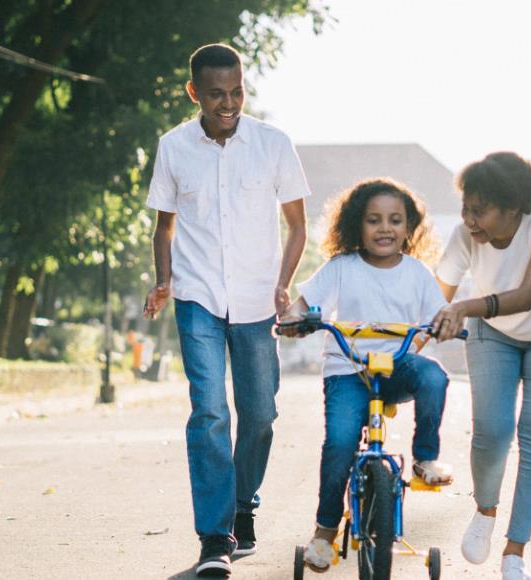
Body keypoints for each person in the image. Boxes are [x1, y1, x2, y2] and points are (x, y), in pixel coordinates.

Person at [142, 43, 310, 578]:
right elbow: (164, 227)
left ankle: (242, 505)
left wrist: (283, 284)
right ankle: (215, 536)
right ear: (194, 92)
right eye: (216, 94)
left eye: (237, 91)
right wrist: (164, 281)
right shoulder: (173, 147)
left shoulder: (273, 143)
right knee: (210, 412)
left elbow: (297, 226)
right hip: (197, 297)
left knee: (259, 415)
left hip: (258, 300)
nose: (229, 103)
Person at [278, 178, 453, 573]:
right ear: (357, 224)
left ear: (408, 228)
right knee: (340, 442)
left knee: (434, 377)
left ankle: (425, 458)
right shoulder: (342, 267)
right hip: (347, 370)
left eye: (395, 220)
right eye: (374, 220)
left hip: (395, 367)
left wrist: (444, 325)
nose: (384, 228)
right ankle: (325, 532)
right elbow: (303, 305)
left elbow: (438, 315)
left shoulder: (417, 273)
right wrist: (293, 319)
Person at [430, 152, 531, 580]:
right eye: (466, 208)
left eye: (479, 211)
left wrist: (465, 307)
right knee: (492, 430)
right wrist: (408, 340)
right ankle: (485, 510)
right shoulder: (465, 236)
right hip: (493, 333)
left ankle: (515, 552)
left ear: (513, 207)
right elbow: (435, 299)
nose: (469, 220)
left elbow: (528, 295)